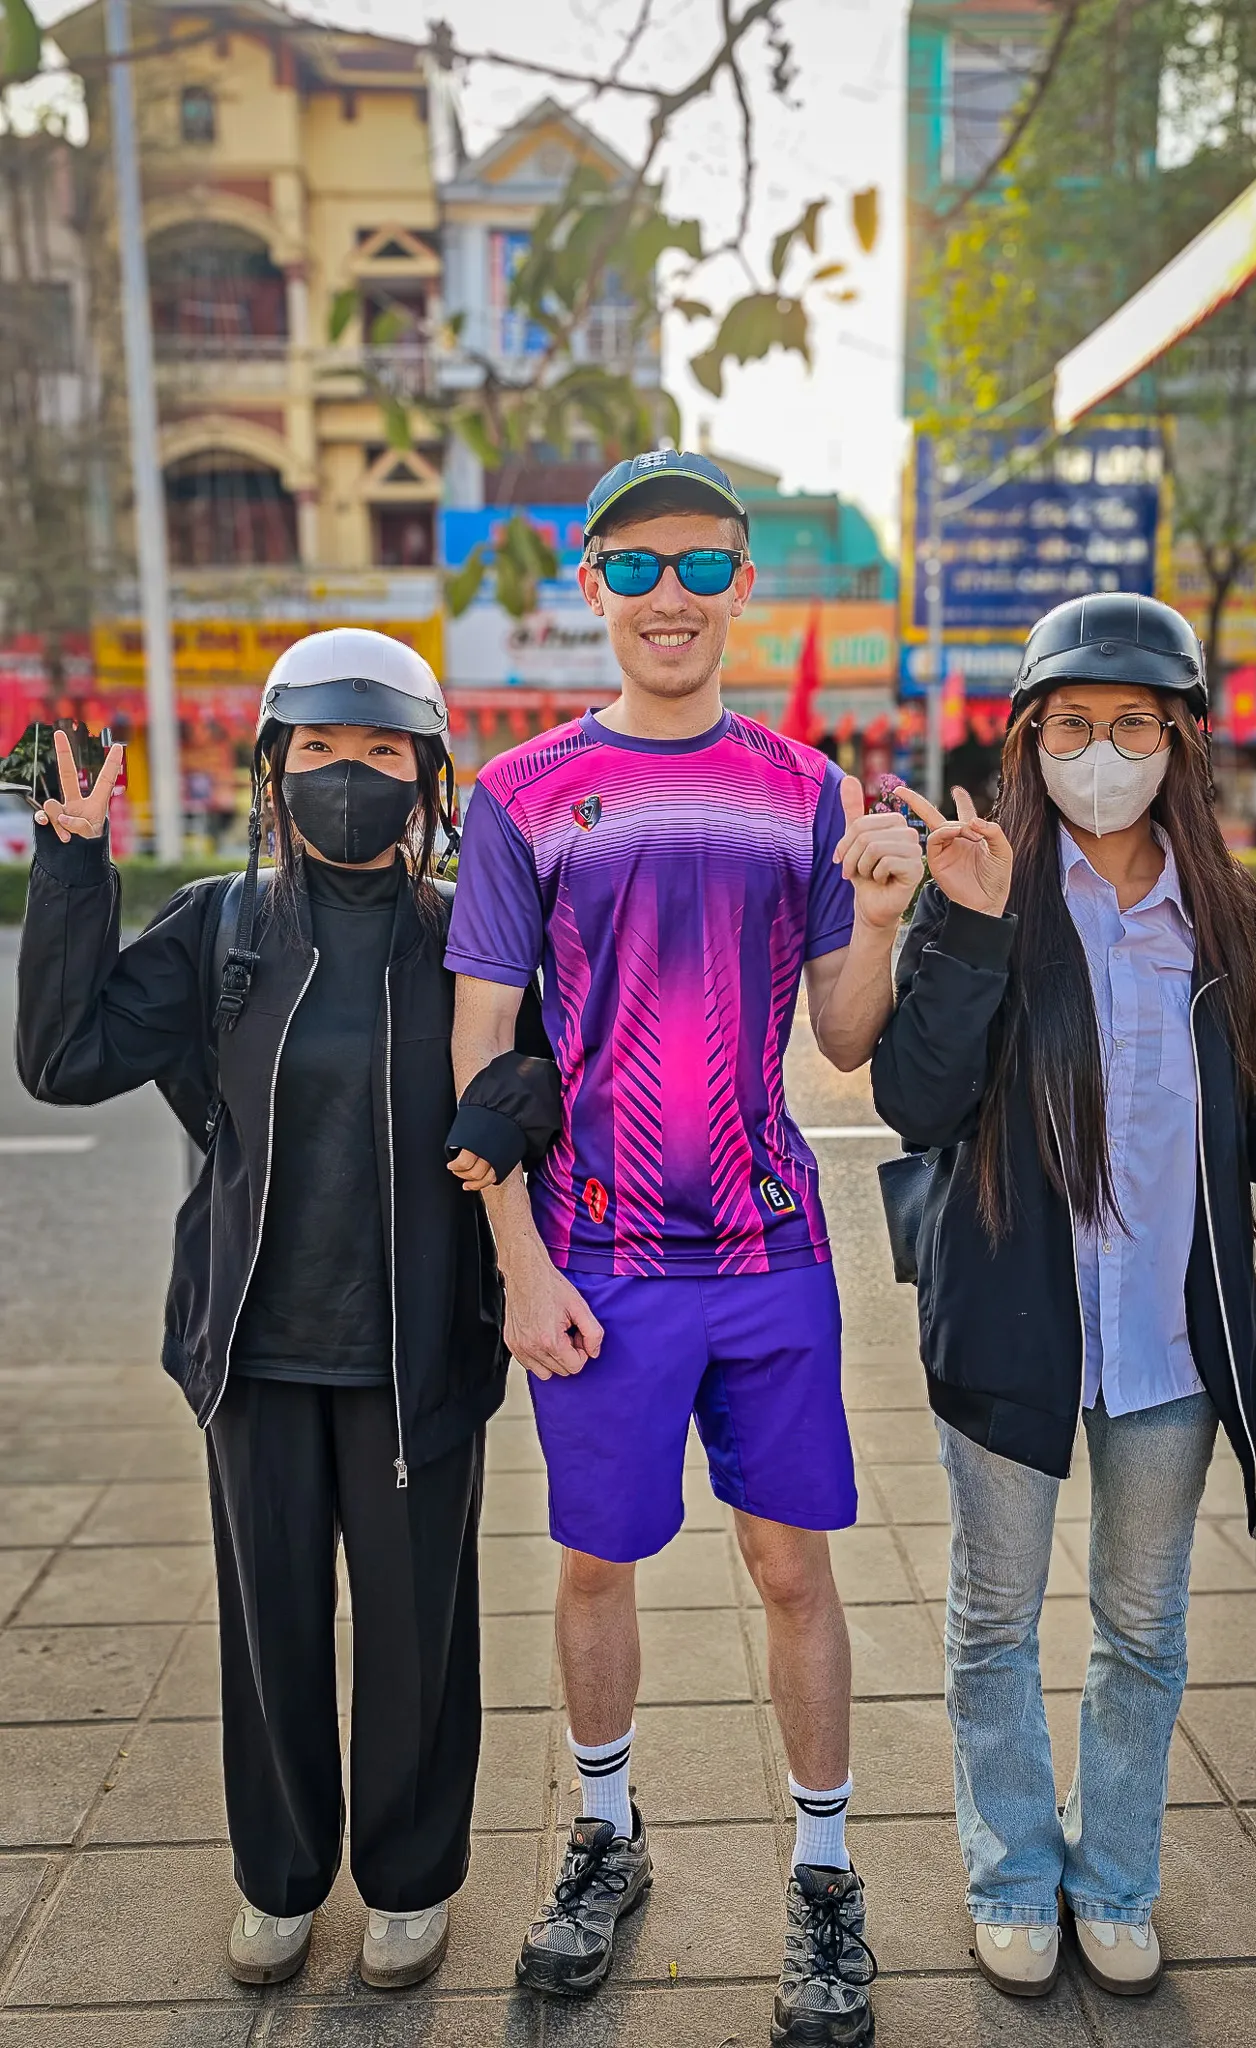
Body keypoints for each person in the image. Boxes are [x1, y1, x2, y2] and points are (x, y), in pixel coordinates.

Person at [443, 451, 921, 2046]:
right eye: (637, 568)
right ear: (591, 582)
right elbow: (482, 1055)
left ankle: (826, 1872)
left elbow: (841, 1045)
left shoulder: (804, 789)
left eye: (703, 568)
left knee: (792, 1568)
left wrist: (881, 917)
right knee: (597, 1559)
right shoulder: (518, 794)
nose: (670, 598)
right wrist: (518, 1260)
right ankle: (601, 1834)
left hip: (771, 1246)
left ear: (740, 585)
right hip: (595, 1256)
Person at [15, 630, 560, 1992]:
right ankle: (276, 1878)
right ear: (277, 769)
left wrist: (515, 1106)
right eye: (321, 752)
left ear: (429, 777)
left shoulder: (470, 932)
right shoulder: (221, 925)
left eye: (383, 754)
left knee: (415, 1629)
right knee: (270, 1625)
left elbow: (550, 1076)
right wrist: (72, 867)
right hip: (251, 1348)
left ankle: (411, 1882)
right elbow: (66, 1059)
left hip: (417, 1342)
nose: (350, 780)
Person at [870, 593, 1256, 2000]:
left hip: (1169, 1339)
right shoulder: (981, 887)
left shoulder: (1219, 909)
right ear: (1028, 738)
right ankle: (1014, 1873)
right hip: (1009, 1330)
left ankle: (1116, 1878)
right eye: (1072, 725)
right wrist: (960, 929)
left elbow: (1234, 1108)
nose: (1102, 752)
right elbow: (913, 1101)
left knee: (1142, 1627)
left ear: (1179, 742)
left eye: (1132, 725)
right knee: (991, 1622)